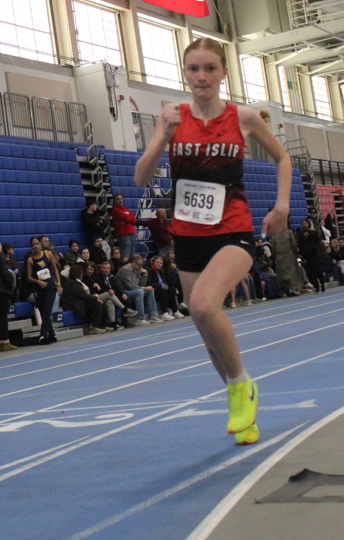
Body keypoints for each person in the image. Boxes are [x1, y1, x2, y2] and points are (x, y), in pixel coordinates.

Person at [134, 37, 291, 446]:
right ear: (185, 73)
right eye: (194, 69)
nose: (201, 76)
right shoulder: (171, 117)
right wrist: (163, 136)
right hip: (188, 235)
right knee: (206, 329)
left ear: (223, 73)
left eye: (209, 68)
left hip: (232, 230)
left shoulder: (243, 117)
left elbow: (282, 157)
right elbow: (140, 177)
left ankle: (241, 386)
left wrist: (281, 205)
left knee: (204, 305)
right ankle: (244, 413)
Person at [26, 236, 62, 345]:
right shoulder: (30, 260)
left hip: (50, 286)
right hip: (39, 288)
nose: (35, 246)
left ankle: (42, 335)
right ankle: (52, 334)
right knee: (43, 311)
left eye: (37, 243)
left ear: (40, 245)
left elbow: (55, 270)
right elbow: (29, 277)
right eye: (33, 244)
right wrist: (38, 282)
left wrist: (58, 284)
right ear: (31, 246)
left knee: (47, 310)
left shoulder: (48, 254)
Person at [61, 263, 107, 333]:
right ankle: (94, 327)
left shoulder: (76, 282)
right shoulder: (72, 283)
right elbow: (83, 296)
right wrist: (95, 297)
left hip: (80, 302)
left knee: (101, 303)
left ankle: (103, 325)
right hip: (74, 305)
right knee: (97, 304)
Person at [110, 195, 137, 262]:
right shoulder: (115, 210)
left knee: (132, 255)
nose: (120, 200)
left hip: (131, 233)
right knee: (125, 255)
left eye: (121, 199)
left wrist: (127, 218)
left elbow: (133, 219)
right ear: (114, 201)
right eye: (118, 199)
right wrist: (128, 217)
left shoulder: (125, 209)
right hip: (123, 234)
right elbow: (126, 218)